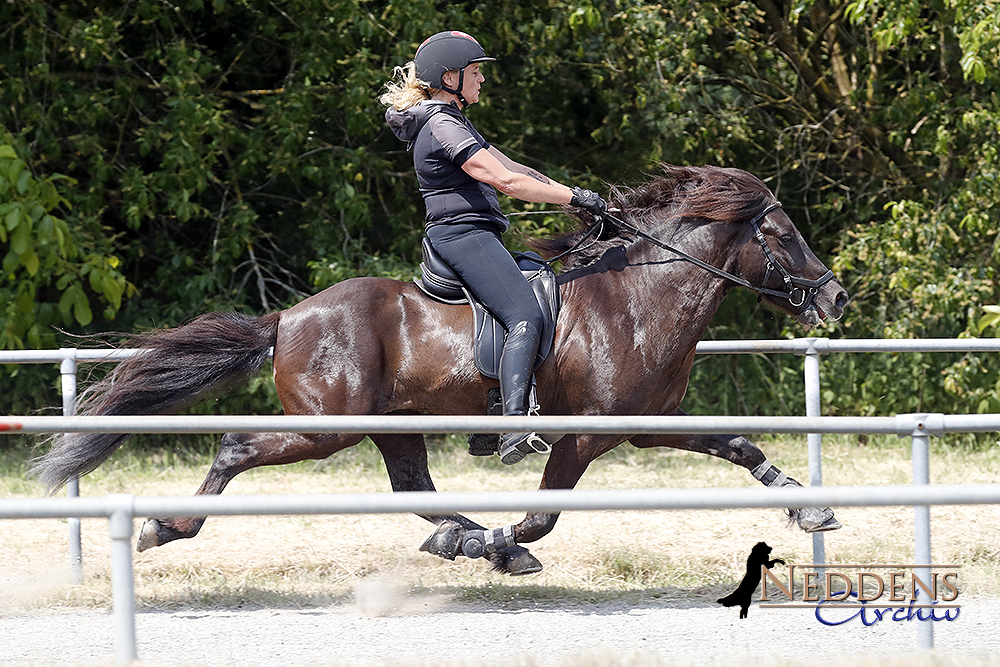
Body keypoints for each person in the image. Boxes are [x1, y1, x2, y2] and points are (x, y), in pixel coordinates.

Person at [381, 30, 608, 465]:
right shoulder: (442, 123)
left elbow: (515, 167)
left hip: (476, 234)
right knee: (523, 313)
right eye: (476, 71)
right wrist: (575, 199)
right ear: (449, 77)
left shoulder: (453, 120)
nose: (482, 78)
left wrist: (575, 196)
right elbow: (504, 181)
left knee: (537, 288)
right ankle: (514, 425)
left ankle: (488, 413)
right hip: (463, 236)